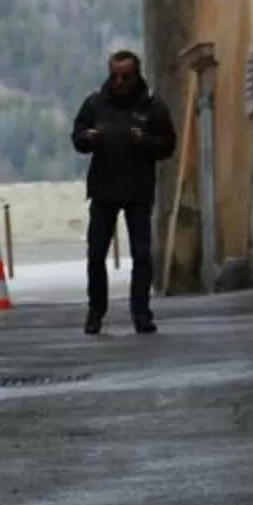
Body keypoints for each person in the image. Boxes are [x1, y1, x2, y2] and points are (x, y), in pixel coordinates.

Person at [73, 48, 176, 336]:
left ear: (136, 76)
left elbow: (168, 145)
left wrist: (144, 140)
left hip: (138, 191)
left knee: (141, 255)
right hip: (103, 190)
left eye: (125, 77)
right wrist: (87, 138)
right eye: (115, 76)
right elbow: (77, 137)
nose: (119, 82)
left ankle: (141, 313)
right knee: (96, 255)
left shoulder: (152, 107)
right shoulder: (95, 104)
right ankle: (96, 311)